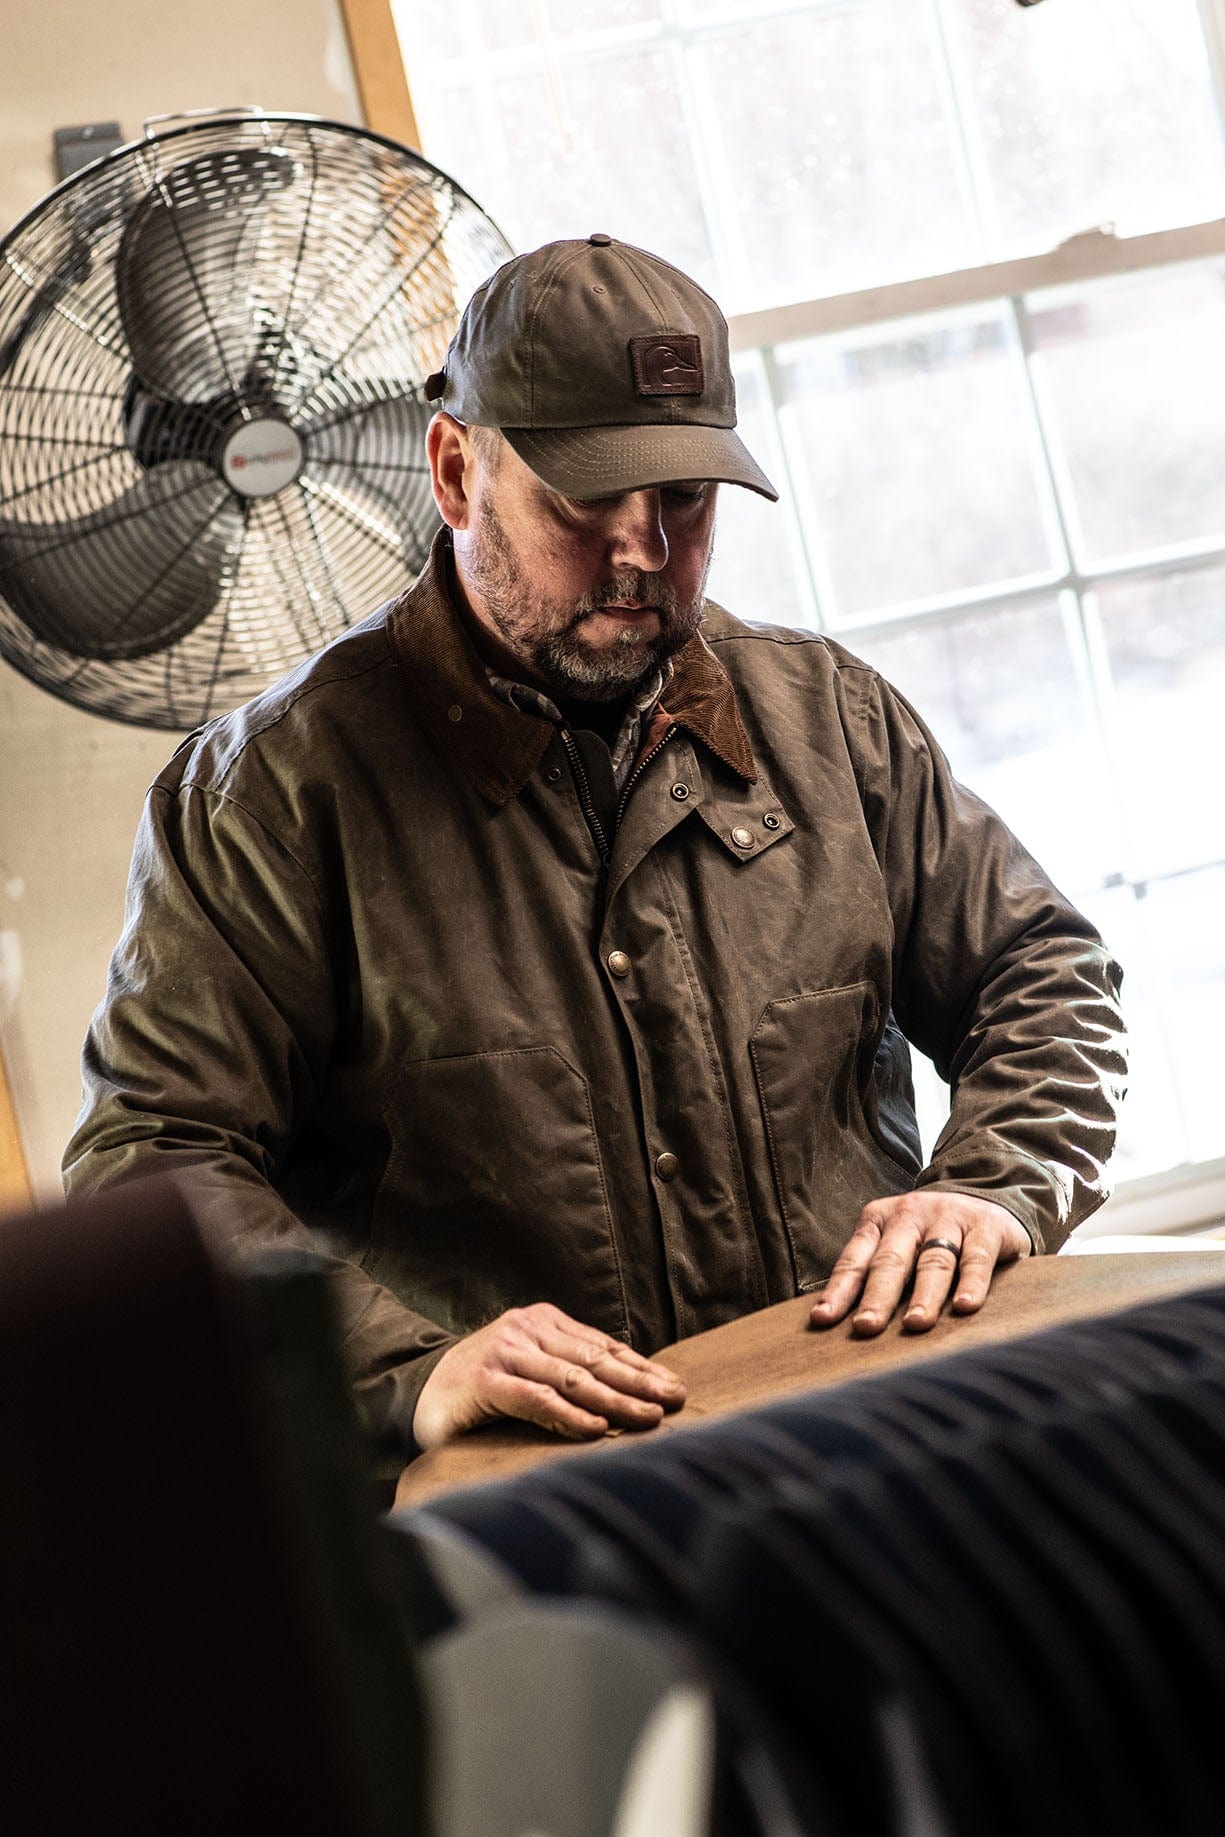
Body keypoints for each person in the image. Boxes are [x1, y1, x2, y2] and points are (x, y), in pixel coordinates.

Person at [63, 235, 1126, 1459]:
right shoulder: (268, 799)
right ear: (456, 471)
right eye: (582, 498)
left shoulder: (831, 719)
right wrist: (411, 1367)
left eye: (683, 497)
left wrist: (993, 1186)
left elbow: (1042, 972)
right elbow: (153, 1165)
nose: (644, 550)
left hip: (873, 1443)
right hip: (525, 1518)